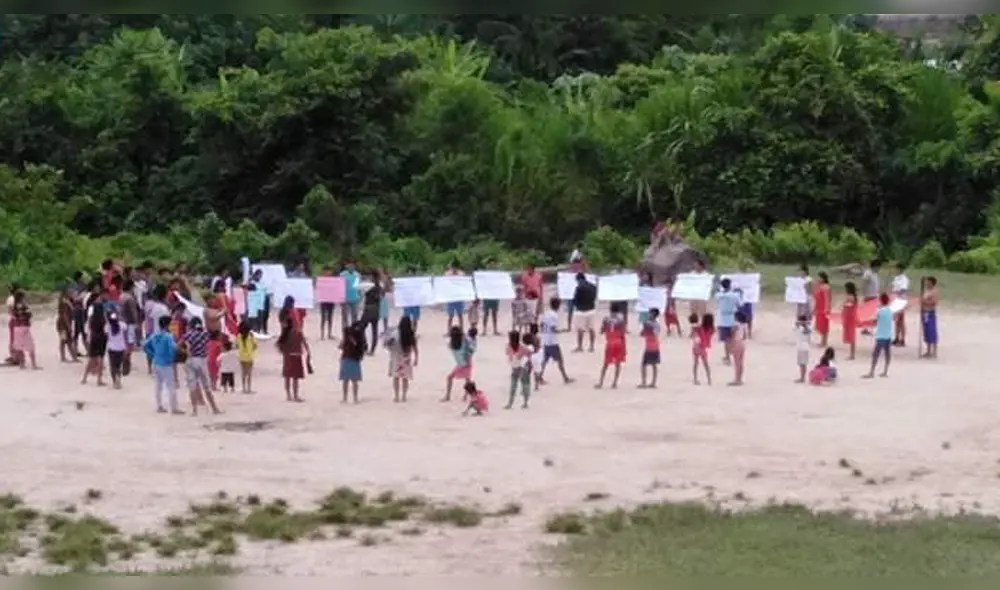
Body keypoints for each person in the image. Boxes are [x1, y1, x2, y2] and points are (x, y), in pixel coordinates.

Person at [143, 316, 182, 415]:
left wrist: (152, 354)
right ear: (167, 325)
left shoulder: (154, 335)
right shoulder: (168, 337)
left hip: (156, 362)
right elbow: (173, 348)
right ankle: (174, 408)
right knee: (171, 386)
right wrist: (174, 355)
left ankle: (159, 406)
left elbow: (145, 345)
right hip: (166, 363)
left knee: (158, 386)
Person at [184, 318, 221, 415]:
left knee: (192, 387)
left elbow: (183, 346)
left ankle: (194, 410)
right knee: (206, 386)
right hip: (201, 359)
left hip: (190, 360)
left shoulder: (187, 335)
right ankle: (214, 408)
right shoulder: (205, 334)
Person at [538, 297, 573, 385]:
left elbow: (541, 325)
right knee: (560, 360)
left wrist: (544, 334)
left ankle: (539, 377)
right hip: (552, 342)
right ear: (558, 305)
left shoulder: (546, 313)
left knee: (545, 360)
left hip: (545, 340)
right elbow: (554, 329)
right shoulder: (554, 316)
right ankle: (565, 378)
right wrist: (563, 331)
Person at [384, 315, 419, 403]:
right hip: (406, 359)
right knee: (405, 378)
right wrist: (416, 359)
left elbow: (387, 344)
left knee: (396, 377)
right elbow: (415, 348)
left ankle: (396, 396)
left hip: (396, 358)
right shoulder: (411, 334)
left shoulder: (395, 333)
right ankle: (404, 396)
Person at [278, 315, 310, 403]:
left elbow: (280, 346)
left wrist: (284, 352)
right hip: (297, 356)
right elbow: (305, 343)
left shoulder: (285, 334)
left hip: (287, 357)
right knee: (295, 378)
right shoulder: (298, 332)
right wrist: (308, 352)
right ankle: (295, 395)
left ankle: (288, 395)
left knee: (287, 377)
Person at [595, 301, 627, 389]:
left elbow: (602, 330)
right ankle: (614, 383)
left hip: (610, 343)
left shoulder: (606, 319)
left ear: (610, 309)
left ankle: (600, 382)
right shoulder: (621, 320)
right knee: (617, 364)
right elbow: (623, 333)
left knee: (605, 364)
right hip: (618, 342)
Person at [81, 290, 107, 386]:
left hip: (94, 334)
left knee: (91, 357)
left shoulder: (91, 308)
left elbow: (89, 320)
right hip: (101, 334)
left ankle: (84, 378)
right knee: (101, 357)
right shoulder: (102, 308)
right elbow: (105, 321)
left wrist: (89, 332)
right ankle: (99, 380)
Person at [864, 293, 893, 379]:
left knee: (875, 354)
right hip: (888, 335)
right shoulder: (890, 310)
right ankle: (885, 371)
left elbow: (875, 321)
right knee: (887, 353)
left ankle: (871, 372)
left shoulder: (879, 311)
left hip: (881, 335)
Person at [443, 325, 475, 401]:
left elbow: (471, 348)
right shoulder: (463, 340)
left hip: (463, 363)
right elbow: (472, 349)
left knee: (451, 377)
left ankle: (448, 396)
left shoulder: (453, 343)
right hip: (465, 362)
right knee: (467, 379)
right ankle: (466, 395)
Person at [10, 290, 38, 370]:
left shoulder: (14, 306)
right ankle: (34, 365)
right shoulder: (23, 306)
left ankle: (22, 364)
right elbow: (29, 315)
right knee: (31, 346)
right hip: (24, 327)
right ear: (21, 297)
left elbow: (13, 316)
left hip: (17, 327)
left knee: (19, 347)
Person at [716, 278, 741, 365]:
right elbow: (739, 305)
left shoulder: (718, 295)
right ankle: (735, 356)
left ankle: (727, 357)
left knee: (726, 340)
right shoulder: (735, 295)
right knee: (733, 339)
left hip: (723, 320)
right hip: (732, 319)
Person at [339, 322, 365, 404]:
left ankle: (345, 398)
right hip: (354, 359)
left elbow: (340, 346)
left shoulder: (347, 335)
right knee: (354, 380)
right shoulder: (360, 336)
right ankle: (355, 398)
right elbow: (362, 348)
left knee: (345, 380)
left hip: (346, 358)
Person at [120, 279, 142, 376]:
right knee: (129, 345)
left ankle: (124, 362)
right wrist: (137, 323)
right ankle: (126, 363)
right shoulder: (130, 298)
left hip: (122, 322)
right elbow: (134, 312)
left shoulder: (121, 296)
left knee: (124, 343)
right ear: (130, 287)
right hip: (129, 323)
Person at [505, 331, 532, 409]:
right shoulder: (510, 346)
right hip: (516, 367)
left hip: (521, 367)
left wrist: (527, 362)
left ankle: (522, 402)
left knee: (522, 385)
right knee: (516, 385)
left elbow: (529, 353)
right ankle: (518, 403)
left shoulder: (521, 346)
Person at [572, 273, 598, 352]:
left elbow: (575, 300)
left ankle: (580, 347)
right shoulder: (593, 286)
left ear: (579, 279)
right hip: (591, 309)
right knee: (591, 329)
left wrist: (576, 304)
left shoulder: (579, 288)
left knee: (580, 329)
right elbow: (594, 297)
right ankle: (592, 346)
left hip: (581, 310)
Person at [359, 273, 383, 355]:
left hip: (368, 310)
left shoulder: (368, 287)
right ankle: (372, 350)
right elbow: (380, 297)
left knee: (361, 328)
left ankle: (365, 346)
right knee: (374, 330)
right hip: (376, 310)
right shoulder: (379, 287)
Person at [105, 312, 128, 389]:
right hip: (121, 347)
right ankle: (119, 378)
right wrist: (126, 346)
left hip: (111, 348)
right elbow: (125, 337)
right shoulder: (123, 325)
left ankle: (115, 381)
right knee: (118, 365)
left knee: (112, 365)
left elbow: (107, 337)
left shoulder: (108, 326)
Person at [639, 308, 661, 389]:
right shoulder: (656, 324)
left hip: (650, 347)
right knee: (653, 364)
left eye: (650, 313)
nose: (649, 315)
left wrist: (647, 327)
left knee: (644, 364)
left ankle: (644, 382)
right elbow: (643, 334)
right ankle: (653, 382)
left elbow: (645, 334)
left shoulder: (650, 324)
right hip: (654, 346)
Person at [691, 313, 713, 385]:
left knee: (696, 363)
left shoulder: (699, 327)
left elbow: (693, 332)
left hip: (696, 346)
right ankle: (709, 380)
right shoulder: (711, 329)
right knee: (706, 364)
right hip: (703, 347)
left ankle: (695, 379)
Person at [56, 289, 78, 363]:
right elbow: (65, 315)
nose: (71, 294)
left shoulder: (65, 301)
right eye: (70, 292)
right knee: (65, 340)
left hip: (63, 323)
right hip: (63, 324)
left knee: (66, 340)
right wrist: (69, 326)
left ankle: (70, 357)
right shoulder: (64, 302)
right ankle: (66, 357)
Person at [235, 321, 258, 393]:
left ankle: (243, 388)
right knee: (249, 373)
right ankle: (249, 388)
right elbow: (255, 345)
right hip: (249, 356)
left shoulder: (238, 336)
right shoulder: (250, 335)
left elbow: (236, 345)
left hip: (241, 356)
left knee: (243, 373)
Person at [444, 262, 466, 333]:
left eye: (455, 266)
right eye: (453, 266)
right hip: (451, 297)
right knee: (450, 315)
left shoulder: (462, 274)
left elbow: (465, 284)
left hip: (459, 297)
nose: (454, 268)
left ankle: (461, 330)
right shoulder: (447, 274)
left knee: (460, 315)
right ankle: (449, 331)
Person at [860, 259, 881, 335]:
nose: (879, 269)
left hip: (875, 295)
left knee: (875, 313)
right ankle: (865, 328)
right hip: (869, 296)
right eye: (878, 267)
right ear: (875, 266)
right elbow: (864, 284)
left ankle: (872, 328)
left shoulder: (875, 274)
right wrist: (864, 294)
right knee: (868, 313)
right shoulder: (868, 273)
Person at [891, 263, 910, 347]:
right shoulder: (896, 278)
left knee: (901, 320)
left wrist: (896, 293)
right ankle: (896, 337)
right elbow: (893, 288)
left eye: (897, 269)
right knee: (896, 320)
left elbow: (903, 290)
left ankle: (902, 339)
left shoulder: (904, 279)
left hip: (901, 300)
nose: (895, 270)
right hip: (895, 299)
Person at [921, 276, 939, 359]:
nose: (927, 283)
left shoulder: (934, 291)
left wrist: (925, 301)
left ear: (932, 283)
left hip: (930, 313)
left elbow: (934, 302)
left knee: (932, 331)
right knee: (926, 332)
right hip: (924, 313)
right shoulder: (926, 290)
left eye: (928, 282)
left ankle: (934, 351)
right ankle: (928, 351)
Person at [340, 260, 361, 329]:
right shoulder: (342, 275)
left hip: (355, 298)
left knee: (355, 315)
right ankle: (345, 330)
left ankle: (353, 329)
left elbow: (358, 287)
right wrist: (340, 298)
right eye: (350, 265)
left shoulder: (357, 275)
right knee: (345, 315)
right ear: (347, 266)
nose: (351, 267)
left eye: (353, 266)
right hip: (345, 298)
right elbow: (340, 286)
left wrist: (360, 297)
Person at [728, 310, 748, 386]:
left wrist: (730, 345)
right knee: (740, 362)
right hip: (742, 343)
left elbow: (731, 335)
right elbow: (745, 336)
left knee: (736, 363)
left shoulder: (735, 324)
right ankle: (740, 379)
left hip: (736, 343)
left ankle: (736, 379)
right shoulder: (744, 325)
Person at [482, 260, 501, 336]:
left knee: (494, 314)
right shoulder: (484, 275)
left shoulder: (497, 275)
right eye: (490, 265)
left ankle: (495, 330)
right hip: (487, 297)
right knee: (485, 314)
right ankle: (484, 330)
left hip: (494, 296)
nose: (491, 266)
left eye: (493, 265)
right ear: (487, 266)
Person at [318, 266, 337, 340]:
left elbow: (337, 289)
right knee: (323, 317)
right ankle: (322, 334)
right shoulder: (321, 280)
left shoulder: (334, 280)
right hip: (323, 300)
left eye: (330, 271)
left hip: (331, 301)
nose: (328, 273)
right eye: (326, 271)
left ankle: (329, 333)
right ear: (323, 272)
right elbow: (318, 289)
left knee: (330, 317)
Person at [841, 282, 859, 361]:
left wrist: (844, 306)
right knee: (852, 336)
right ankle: (852, 354)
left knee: (852, 336)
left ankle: (852, 355)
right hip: (850, 317)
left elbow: (847, 306)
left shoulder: (850, 297)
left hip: (850, 318)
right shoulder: (852, 297)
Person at [813, 272, 831, 348]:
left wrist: (827, 308)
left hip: (824, 308)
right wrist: (814, 308)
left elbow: (827, 299)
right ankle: (823, 341)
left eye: (819, 277)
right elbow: (816, 298)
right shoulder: (818, 286)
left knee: (824, 326)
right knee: (820, 325)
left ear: (823, 278)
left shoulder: (826, 287)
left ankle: (823, 342)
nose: (818, 279)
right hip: (819, 307)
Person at [794, 314, 811, 383]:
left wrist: (803, 323)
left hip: (802, 348)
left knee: (802, 364)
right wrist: (804, 323)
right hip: (804, 348)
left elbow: (796, 325)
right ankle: (802, 377)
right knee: (802, 364)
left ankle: (802, 378)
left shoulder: (801, 329)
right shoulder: (808, 328)